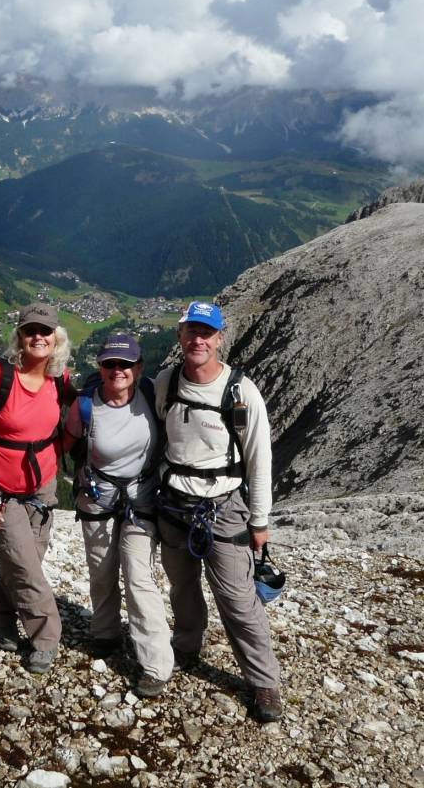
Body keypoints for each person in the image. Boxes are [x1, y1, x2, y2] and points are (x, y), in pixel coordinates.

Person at [154, 301, 282, 722]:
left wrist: (259, 520)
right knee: (182, 588)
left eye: (206, 333)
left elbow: (259, 458)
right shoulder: (167, 382)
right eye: (191, 331)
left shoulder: (240, 391)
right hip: (174, 503)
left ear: (219, 338)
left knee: (238, 599)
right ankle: (186, 647)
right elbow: (159, 435)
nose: (198, 340)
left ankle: (264, 683)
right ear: (180, 336)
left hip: (224, 507)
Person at [0, 303, 72, 674]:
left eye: (46, 331)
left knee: (25, 559)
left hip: (42, 488)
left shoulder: (60, 378)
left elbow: (67, 426)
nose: (38, 337)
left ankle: (2, 616)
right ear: (20, 336)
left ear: (57, 338)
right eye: (30, 331)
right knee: (25, 567)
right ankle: (47, 637)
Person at [63, 334, 174, 698]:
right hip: (97, 498)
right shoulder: (85, 407)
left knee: (138, 576)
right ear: (100, 368)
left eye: (125, 365)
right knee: (101, 571)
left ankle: (156, 664)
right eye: (110, 364)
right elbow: (64, 444)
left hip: (141, 500)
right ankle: (105, 633)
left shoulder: (150, 393)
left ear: (138, 368)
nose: (117, 371)